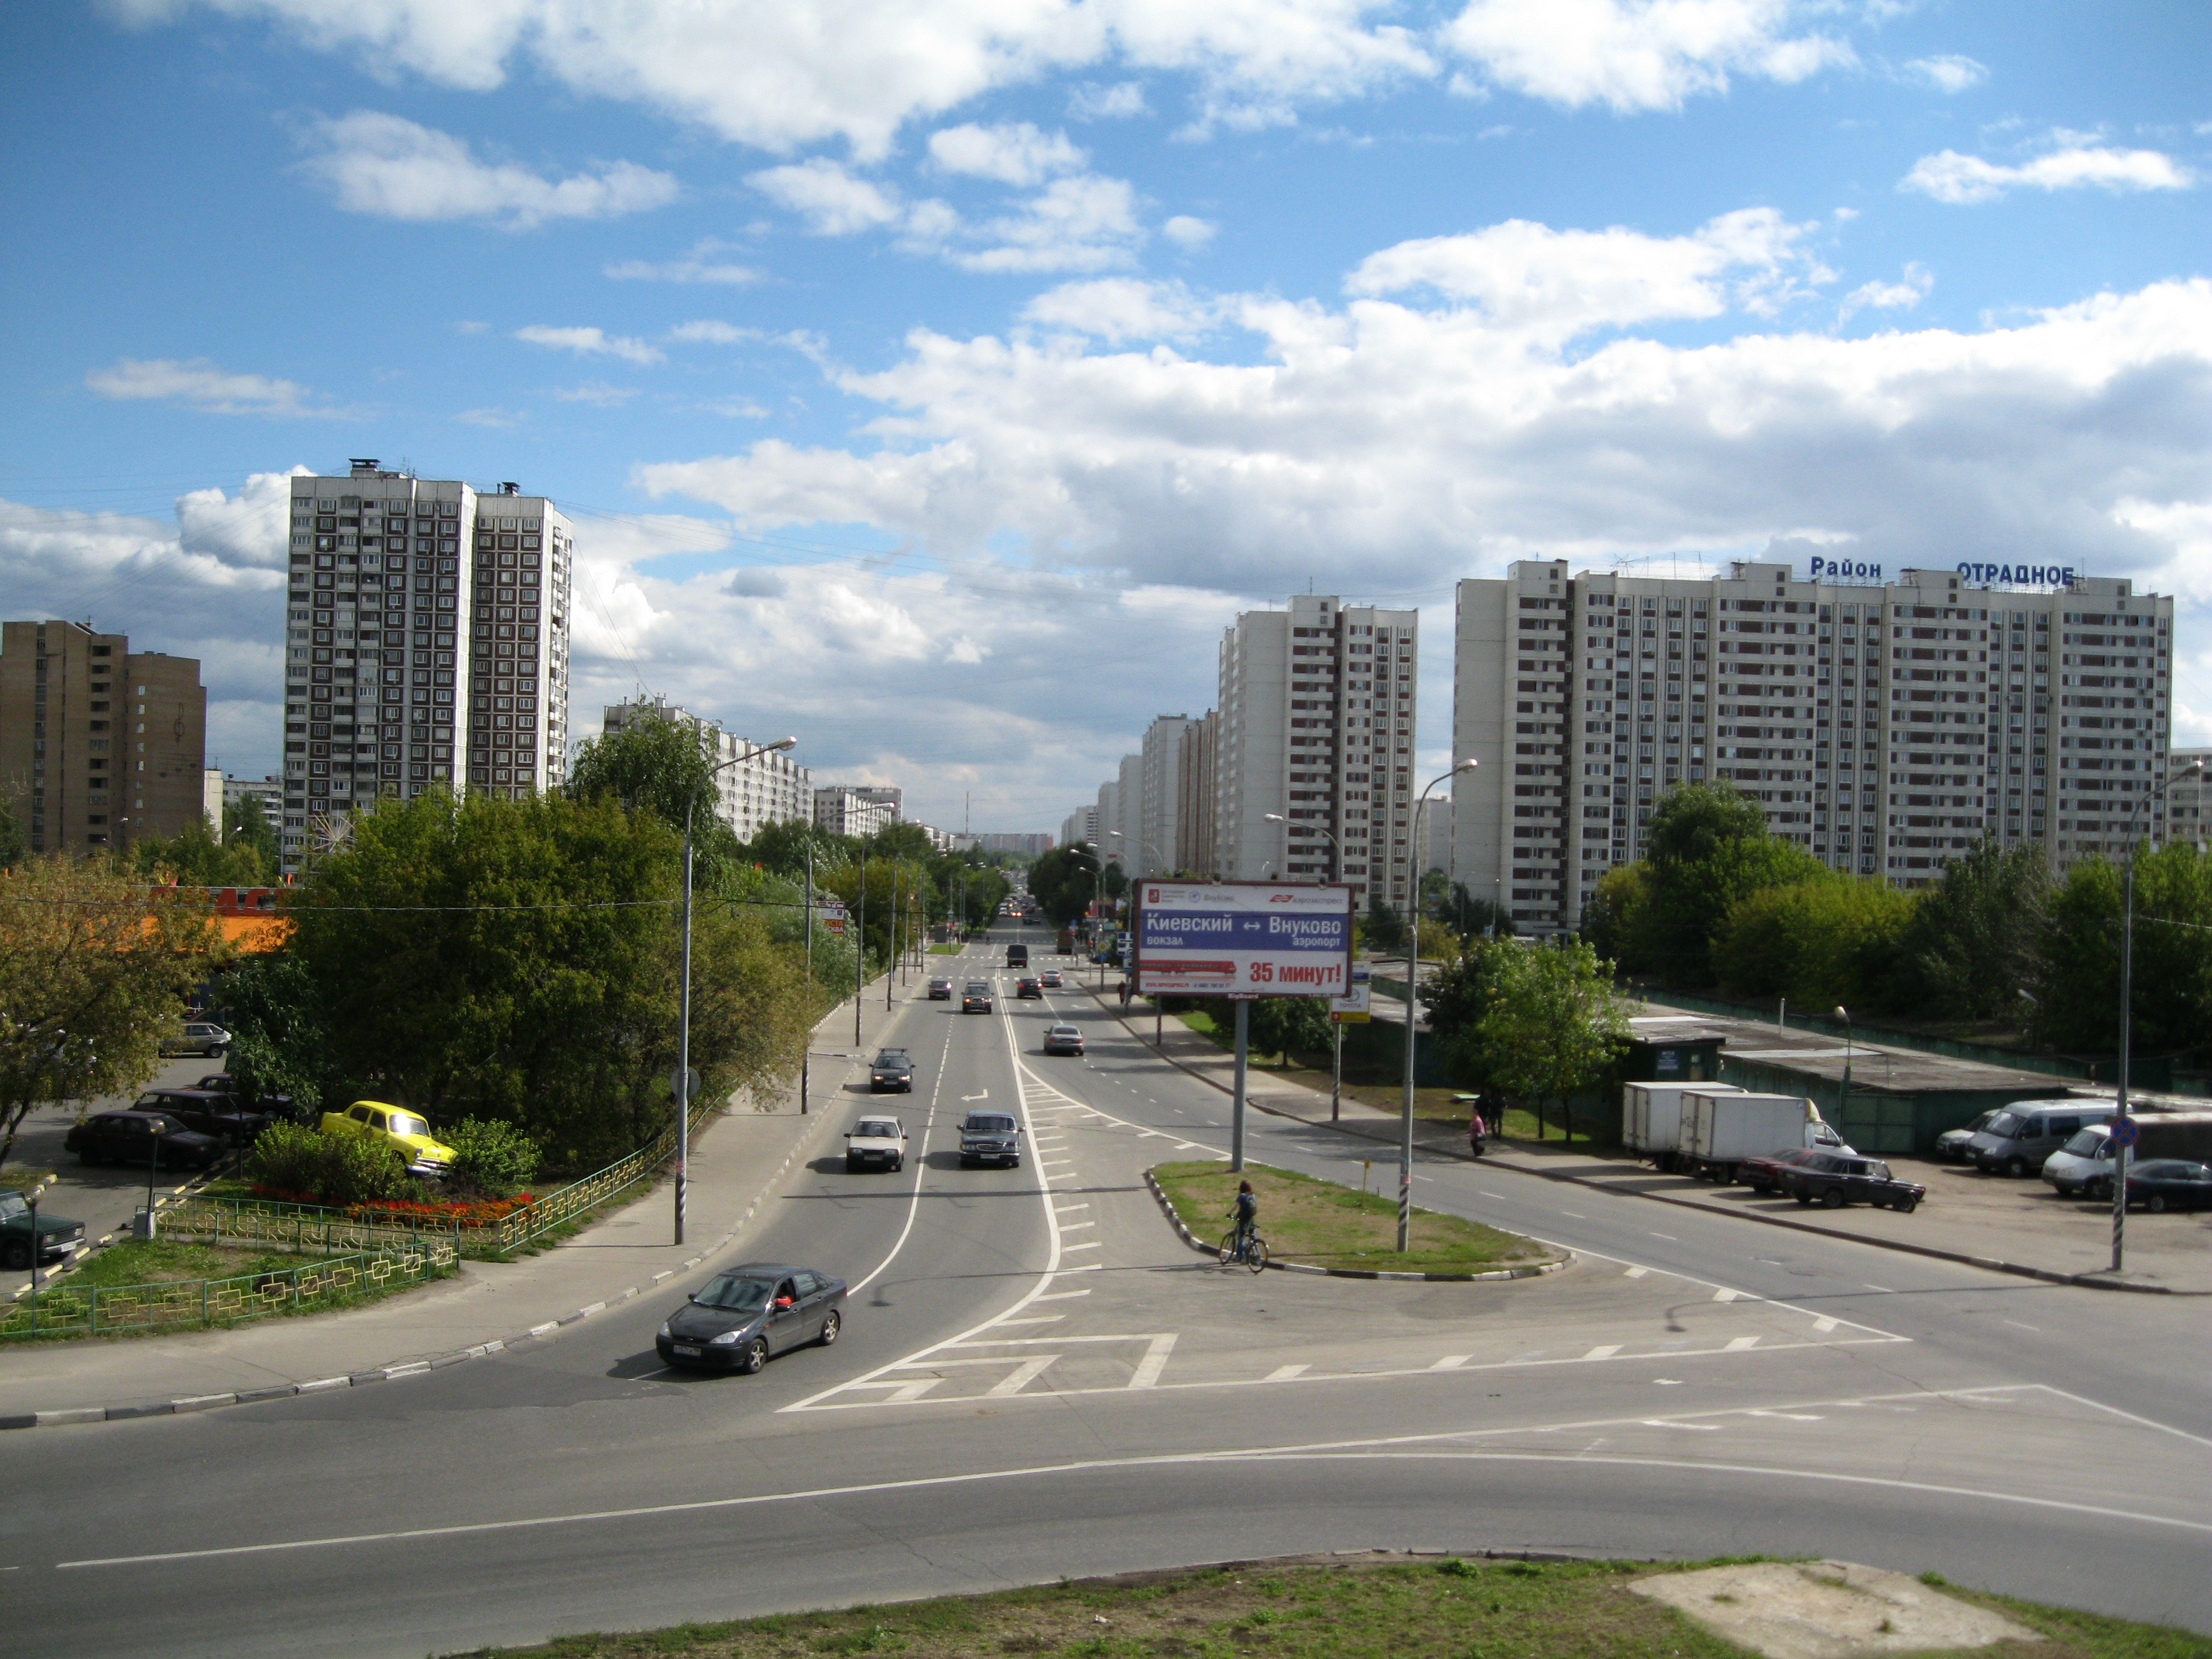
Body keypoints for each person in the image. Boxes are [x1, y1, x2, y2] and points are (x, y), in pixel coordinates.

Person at [1228, 1179, 1258, 1261]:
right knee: (1253, 1235)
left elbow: (1236, 1206)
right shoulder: (1253, 1196)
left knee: (1241, 1237)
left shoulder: (1242, 1196)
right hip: (1251, 1218)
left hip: (1244, 1219)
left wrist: (1229, 1213)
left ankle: (1239, 1256)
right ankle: (1257, 1253)